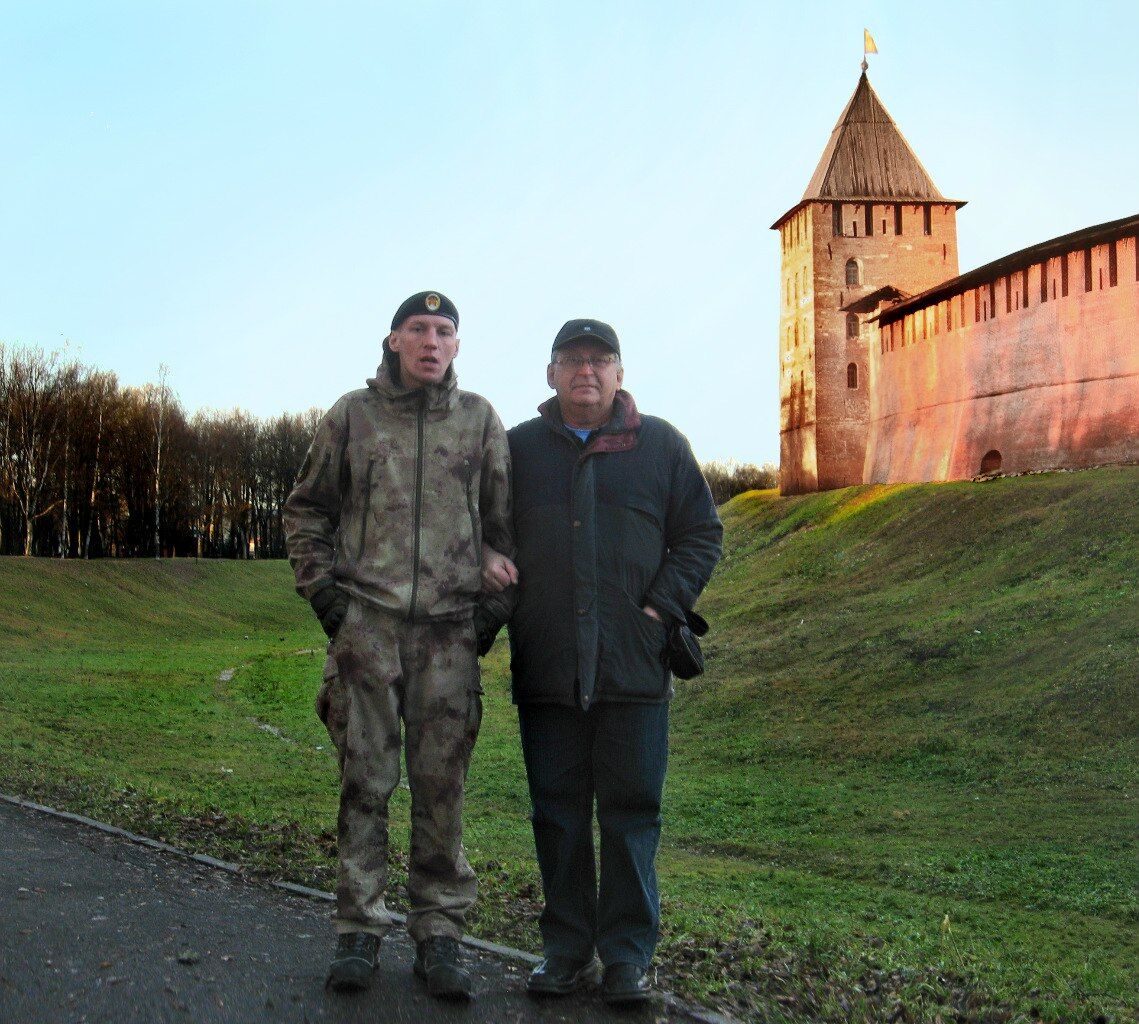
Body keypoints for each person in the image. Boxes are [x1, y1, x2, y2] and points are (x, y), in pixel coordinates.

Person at [481, 318, 722, 1004]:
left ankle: (625, 958)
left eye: (599, 359)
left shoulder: (661, 446)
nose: (585, 371)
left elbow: (701, 533)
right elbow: (481, 528)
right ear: (550, 374)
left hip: (634, 667)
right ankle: (564, 952)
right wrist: (488, 561)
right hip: (548, 663)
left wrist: (658, 610)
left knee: (630, 814)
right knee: (555, 815)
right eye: (571, 360)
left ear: (619, 373)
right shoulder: (517, 449)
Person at [284, 291, 513, 1000]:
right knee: (364, 783)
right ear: (392, 340)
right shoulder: (352, 416)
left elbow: (506, 531)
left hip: (449, 635)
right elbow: (306, 510)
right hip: (370, 631)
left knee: (442, 789)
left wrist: (487, 616)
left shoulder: (478, 420)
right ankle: (358, 930)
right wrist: (327, 600)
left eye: (444, 331)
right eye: (417, 328)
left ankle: (440, 936)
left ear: (456, 346)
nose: (430, 341)